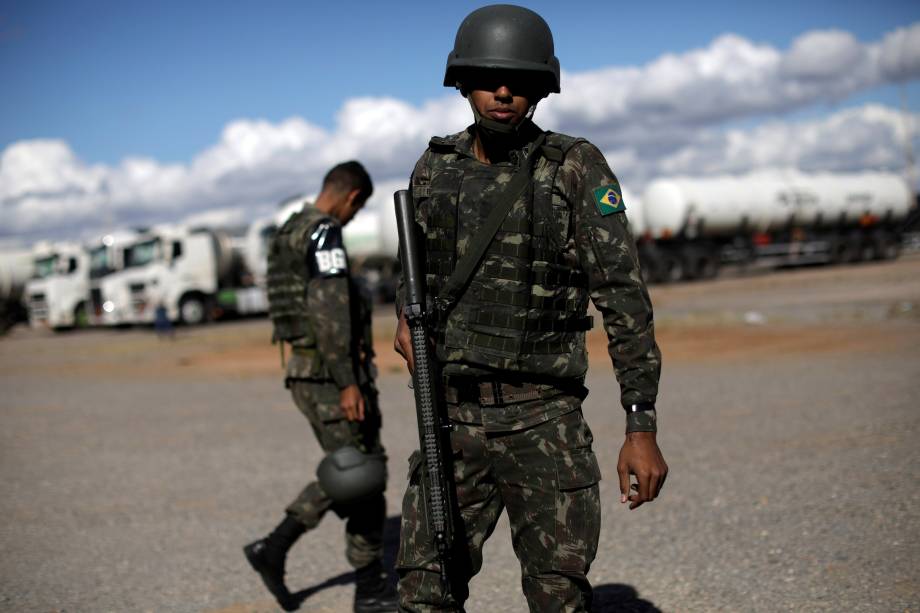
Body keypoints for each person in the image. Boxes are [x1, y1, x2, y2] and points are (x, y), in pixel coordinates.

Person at [393, 5, 668, 611]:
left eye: (519, 81)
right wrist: (402, 320)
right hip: (453, 421)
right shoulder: (434, 168)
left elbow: (624, 298)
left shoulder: (573, 167)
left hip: (543, 422)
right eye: (490, 77)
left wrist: (640, 425)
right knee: (422, 594)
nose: (503, 92)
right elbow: (411, 272)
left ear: (542, 88)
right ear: (463, 81)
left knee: (556, 598)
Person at [245, 161, 398, 613]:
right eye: (358, 209)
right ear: (352, 198)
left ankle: (356, 580)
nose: (352, 219)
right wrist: (348, 382)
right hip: (330, 376)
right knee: (360, 471)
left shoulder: (289, 230)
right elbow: (330, 313)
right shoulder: (324, 232)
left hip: (308, 370)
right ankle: (282, 552)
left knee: (358, 473)